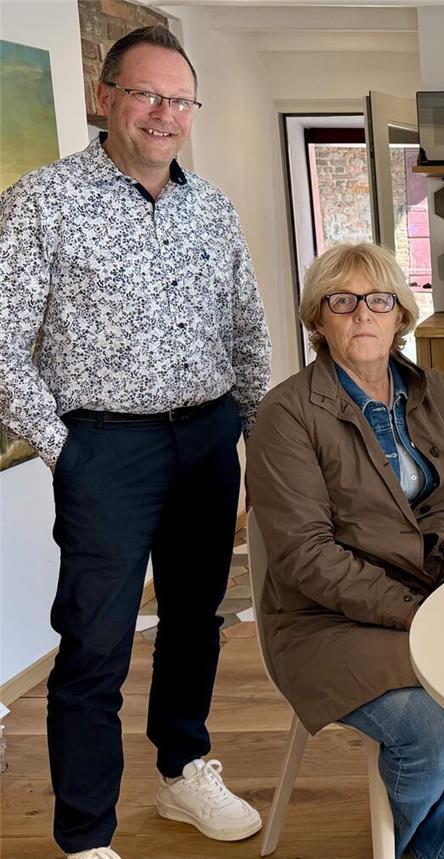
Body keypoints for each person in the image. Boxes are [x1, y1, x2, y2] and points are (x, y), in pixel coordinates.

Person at [0, 25, 270, 859]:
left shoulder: (212, 205)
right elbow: (3, 341)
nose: (165, 113)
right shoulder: (43, 201)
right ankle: (86, 835)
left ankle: (183, 768)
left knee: (196, 619)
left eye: (180, 98)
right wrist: (61, 445)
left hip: (208, 437)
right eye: (147, 94)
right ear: (106, 98)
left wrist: (261, 437)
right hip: (105, 448)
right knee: (94, 639)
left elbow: (247, 328)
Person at [246, 242, 444, 858]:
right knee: (440, 734)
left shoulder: (440, 393)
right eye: (341, 302)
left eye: (378, 300)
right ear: (318, 320)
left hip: (437, 597)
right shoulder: (286, 414)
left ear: (401, 314)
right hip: (329, 620)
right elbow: (305, 555)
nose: (362, 315)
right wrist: (418, 612)